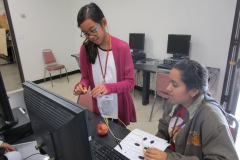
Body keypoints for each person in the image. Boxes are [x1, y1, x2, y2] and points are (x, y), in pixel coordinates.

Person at [145, 59, 239, 160]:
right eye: (169, 82)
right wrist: (152, 148)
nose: (168, 88)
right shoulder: (173, 102)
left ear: (194, 91)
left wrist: (169, 158)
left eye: (175, 85)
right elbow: (163, 131)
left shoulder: (212, 118)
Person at [73, 3, 136, 126]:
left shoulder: (122, 47)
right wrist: (81, 85)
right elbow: (85, 78)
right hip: (100, 106)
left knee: (119, 138)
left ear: (104, 23)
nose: (90, 36)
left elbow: (130, 82)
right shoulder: (85, 49)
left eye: (93, 30)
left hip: (119, 106)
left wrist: (108, 87)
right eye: (85, 33)